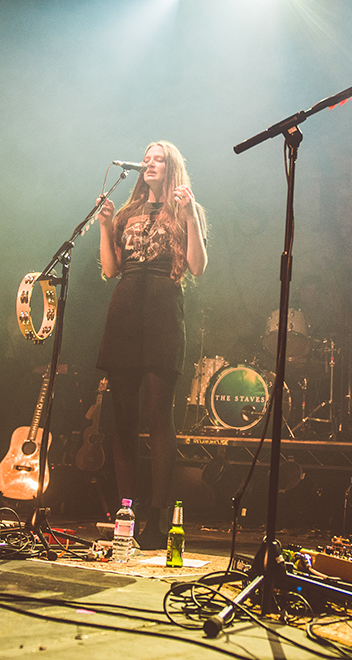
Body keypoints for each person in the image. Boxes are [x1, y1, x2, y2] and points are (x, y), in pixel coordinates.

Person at [96, 141, 207, 549]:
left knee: (158, 417)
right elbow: (110, 269)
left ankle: (158, 519)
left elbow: (197, 265)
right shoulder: (128, 213)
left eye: (158, 158)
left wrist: (192, 216)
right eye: (146, 157)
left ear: (171, 168)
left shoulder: (184, 211)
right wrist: (107, 227)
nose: (149, 163)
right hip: (125, 309)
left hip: (162, 310)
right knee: (122, 420)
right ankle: (127, 513)